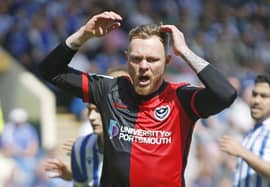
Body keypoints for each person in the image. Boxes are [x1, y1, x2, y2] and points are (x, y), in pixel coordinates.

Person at [39, 11, 237, 186]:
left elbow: (225, 94)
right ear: (127, 58)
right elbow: (50, 71)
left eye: (152, 59)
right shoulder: (109, 89)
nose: (143, 66)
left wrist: (185, 52)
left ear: (167, 62)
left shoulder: (181, 98)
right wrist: (83, 35)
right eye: (136, 58)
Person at [219, 74, 270, 186]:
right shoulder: (253, 131)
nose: (256, 100)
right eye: (254, 94)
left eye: (264, 96)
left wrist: (242, 152)